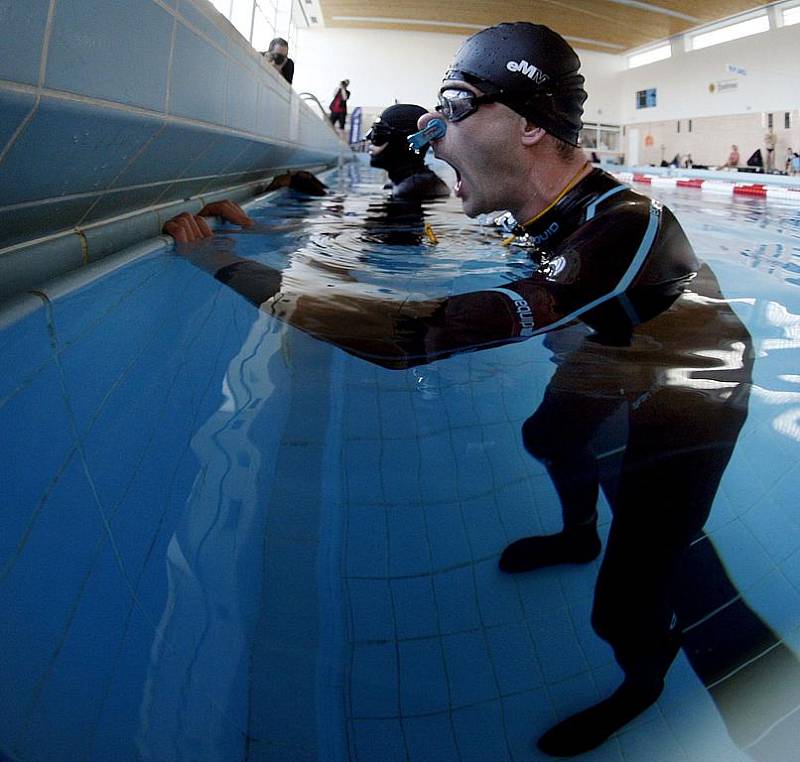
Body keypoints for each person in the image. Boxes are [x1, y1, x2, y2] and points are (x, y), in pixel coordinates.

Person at [164, 22, 754, 756]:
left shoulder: (621, 228)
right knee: (549, 435)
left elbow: (413, 335)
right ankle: (579, 536)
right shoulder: (538, 206)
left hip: (694, 387)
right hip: (623, 343)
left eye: (452, 104)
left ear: (531, 124)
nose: (431, 135)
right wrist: (259, 235)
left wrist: (224, 263)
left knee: (626, 600)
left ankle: (644, 682)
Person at [366, 104, 449, 200]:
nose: (369, 140)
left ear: (401, 144)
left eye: (378, 135)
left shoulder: (411, 189)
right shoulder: (417, 181)